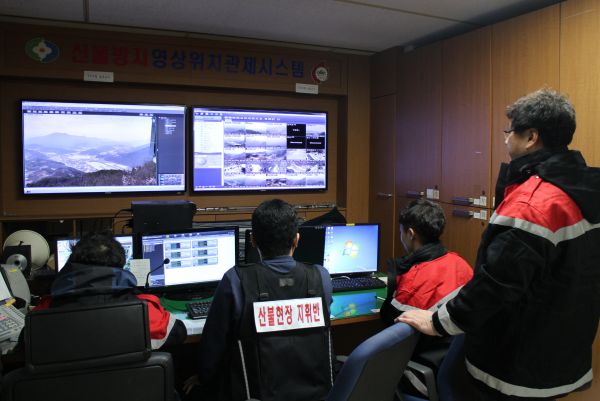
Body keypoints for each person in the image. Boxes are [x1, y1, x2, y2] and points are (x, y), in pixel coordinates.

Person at [398, 88, 600, 400]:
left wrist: (437, 322)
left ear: (531, 137)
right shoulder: (583, 189)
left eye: (510, 132)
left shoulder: (533, 203)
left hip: (518, 363)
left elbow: (496, 283)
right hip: (564, 354)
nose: (505, 140)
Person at [184, 199, 334, 401]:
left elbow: (214, 344)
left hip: (255, 395)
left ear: (253, 240)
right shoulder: (321, 277)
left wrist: (203, 377)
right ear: (297, 239)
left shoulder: (235, 280)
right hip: (317, 394)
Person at [35, 231, 187, 349]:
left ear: (72, 262)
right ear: (121, 264)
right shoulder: (142, 308)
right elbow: (178, 333)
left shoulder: (44, 313)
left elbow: (26, 340)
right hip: (130, 381)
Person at [379, 199, 473, 326]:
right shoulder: (461, 264)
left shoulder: (413, 280)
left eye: (401, 232)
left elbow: (391, 320)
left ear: (410, 234)